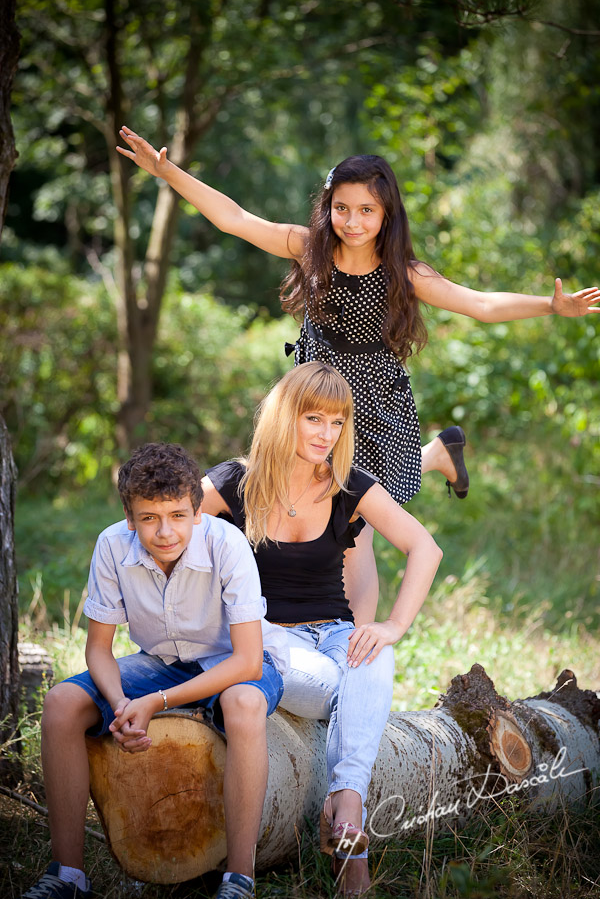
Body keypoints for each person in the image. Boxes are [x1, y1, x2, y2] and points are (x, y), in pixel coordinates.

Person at [116, 129, 599, 615]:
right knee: (298, 496)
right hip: (308, 401)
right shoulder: (308, 249)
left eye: (367, 210)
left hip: (367, 408)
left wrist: (551, 306)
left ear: (387, 213)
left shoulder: (403, 272)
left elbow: (479, 303)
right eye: (341, 208)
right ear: (327, 207)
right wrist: (167, 172)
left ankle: (354, 640)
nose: (352, 221)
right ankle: (437, 455)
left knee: (354, 530)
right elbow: (235, 218)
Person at [200, 362, 443, 896]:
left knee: (373, 655)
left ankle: (346, 800)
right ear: (284, 416)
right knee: (348, 686)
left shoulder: (347, 485)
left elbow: (425, 547)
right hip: (264, 640)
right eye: (314, 418)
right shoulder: (232, 482)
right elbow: (167, 525)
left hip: (333, 634)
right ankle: (349, 833)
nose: (326, 435)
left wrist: (393, 625)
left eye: (337, 422)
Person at [22, 442, 288, 899]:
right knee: (62, 703)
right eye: (149, 518)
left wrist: (157, 703)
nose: (166, 531)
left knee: (243, 703)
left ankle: (239, 878)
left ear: (197, 511)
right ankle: (67, 875)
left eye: (178, 515)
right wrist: (122, 703)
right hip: (161, 664)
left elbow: (246, 659)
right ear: (130, 518)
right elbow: (99, 650)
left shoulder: (227, 546)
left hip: (232, 663)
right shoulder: (111, 546)